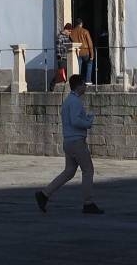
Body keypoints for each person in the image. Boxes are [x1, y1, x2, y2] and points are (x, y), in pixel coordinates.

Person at [34, 74, 102, 215]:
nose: (85, 87)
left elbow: (74, 119)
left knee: (69, 171)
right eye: (84, 85)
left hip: (69, 141)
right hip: (77, 141)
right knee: (88, 170)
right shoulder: (75, 101)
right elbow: (75, 121)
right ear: (79, 85)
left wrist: (86, 118)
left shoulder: (68, 101)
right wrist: (88, 123)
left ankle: (44, 194)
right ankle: (88, 203)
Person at [68, 20, 96, 85]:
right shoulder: (85, 31)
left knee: (78, 67)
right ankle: (88, 81)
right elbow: (90, 43)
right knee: (89, 64)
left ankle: (78, 82)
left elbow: (71, 43)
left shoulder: (71, 33)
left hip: (77, 52)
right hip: (86, 51)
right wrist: (92, 54)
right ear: (81, 24)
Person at [54, 24, 75, 88]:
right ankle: (53, 85)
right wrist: (59, 57)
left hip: (67, 57)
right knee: (61, 73)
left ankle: (61, 85)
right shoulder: (60, 37)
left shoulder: (68, 37)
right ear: (65, 29)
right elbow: (58, 47)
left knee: (65, 73)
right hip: (62, 58)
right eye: (69, 31)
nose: (70, 32)